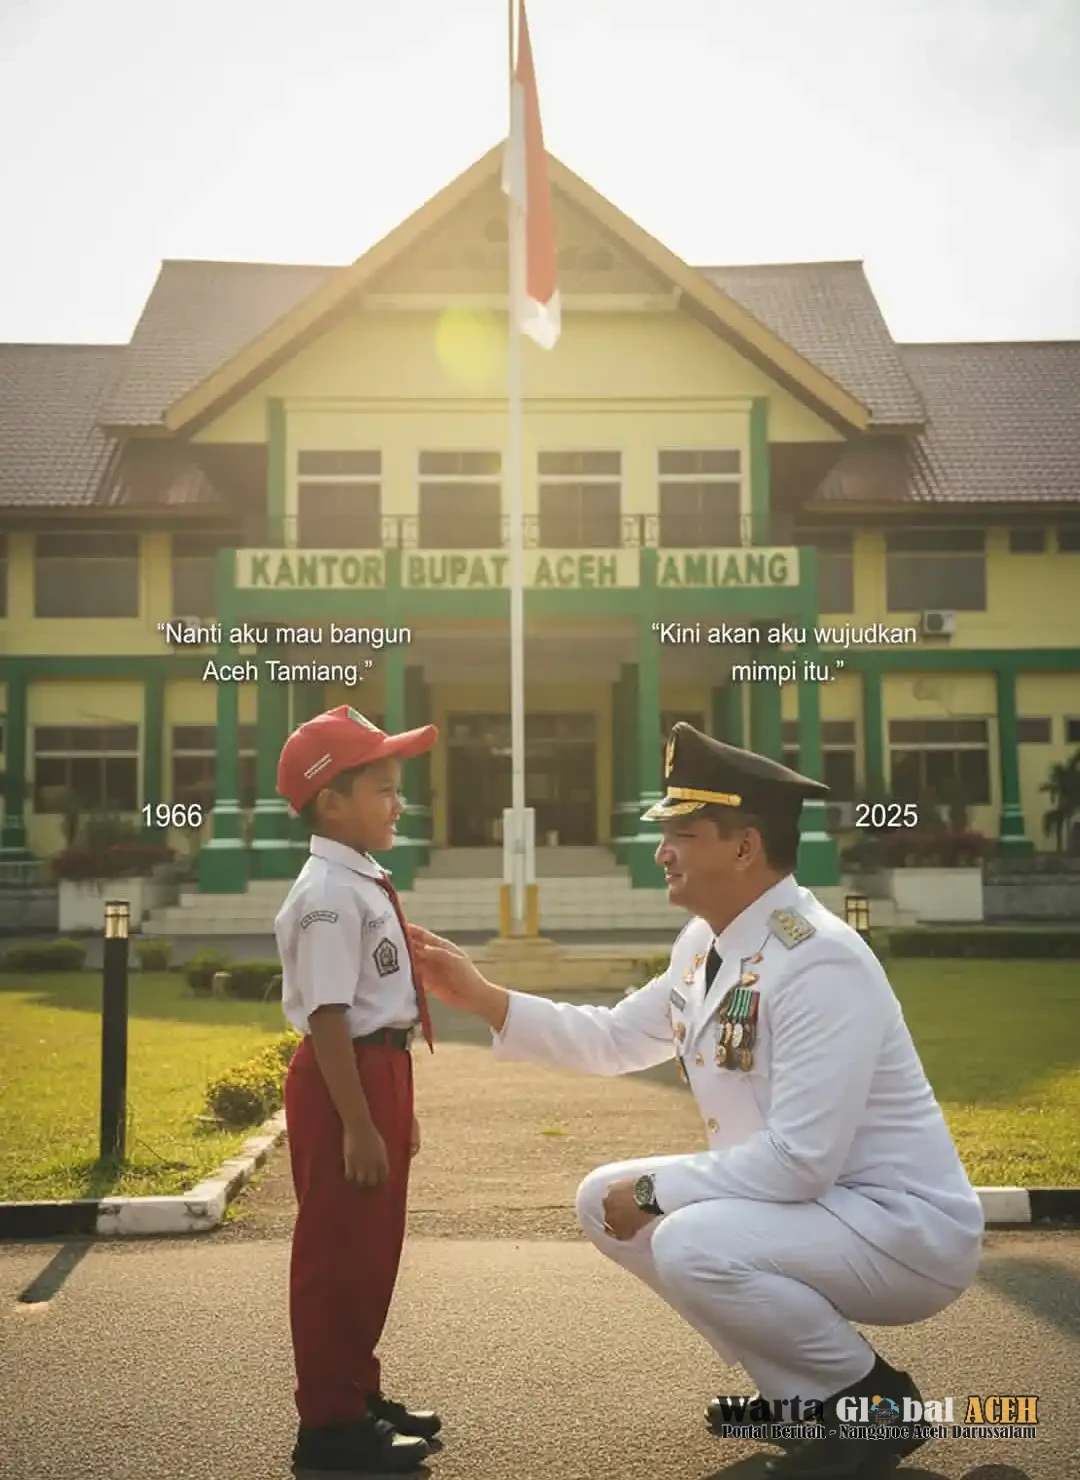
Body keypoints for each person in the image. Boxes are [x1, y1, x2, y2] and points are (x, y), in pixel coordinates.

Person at [408, 722, 985, 1480]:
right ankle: (802, 1402)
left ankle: (872, 1405)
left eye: (682, 833)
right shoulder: (707, 943)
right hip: (814, 1208)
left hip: (897, 1228)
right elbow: (615, 1038)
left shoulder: (820, 960)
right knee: (600, 1199)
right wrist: (484, 998)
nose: (661, 850)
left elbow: (800, 1160)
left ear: (744, 847)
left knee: (687, 1239)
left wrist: (654, 1191)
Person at [274, 705, 443, 1476]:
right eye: (383, 788)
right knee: (335, 1256)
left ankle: (355, 1391)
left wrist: (391, 1109)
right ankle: (329, 1427)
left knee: (370, 1254)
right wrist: (357, 1122)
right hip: (345, 1077)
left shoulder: (358, 878)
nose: (398, 803)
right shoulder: (327, 895)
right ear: (331, 801)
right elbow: (328, 1014)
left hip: (376, 1074)